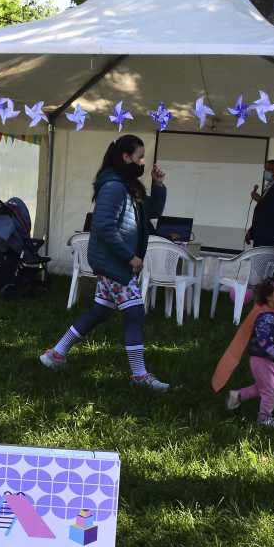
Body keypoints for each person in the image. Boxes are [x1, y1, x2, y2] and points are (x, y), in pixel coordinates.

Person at [39, 134, 170, 391]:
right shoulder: (113, 186)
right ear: (125, 156)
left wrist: (158, 184)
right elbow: (104, 227)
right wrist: (130, 257)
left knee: (101, 311)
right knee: (135, 313)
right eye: (140, 156)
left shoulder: (128, 184)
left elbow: (152, 211)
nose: (143, 161)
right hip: (114, 265)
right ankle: (139, 375)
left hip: (112, 264)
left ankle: (56, 353)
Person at [216, 277, 274, 428]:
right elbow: (265, 341)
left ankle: (237, 396)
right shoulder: (266, 318)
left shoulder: (273, 315)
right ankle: (264, 419)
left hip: (268, 360)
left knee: (263, 387)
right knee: (270, 392)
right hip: (262, 360)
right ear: (269, 296)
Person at [246, 159, 274, 248]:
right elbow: (261, 214)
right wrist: (251, 230)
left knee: (264, 261)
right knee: (257, 261)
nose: (265, 172)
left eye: (268, 169)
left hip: (268, 236)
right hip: (260, 234)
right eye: (265, 169)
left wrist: (259, 199)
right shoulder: (268, 187)